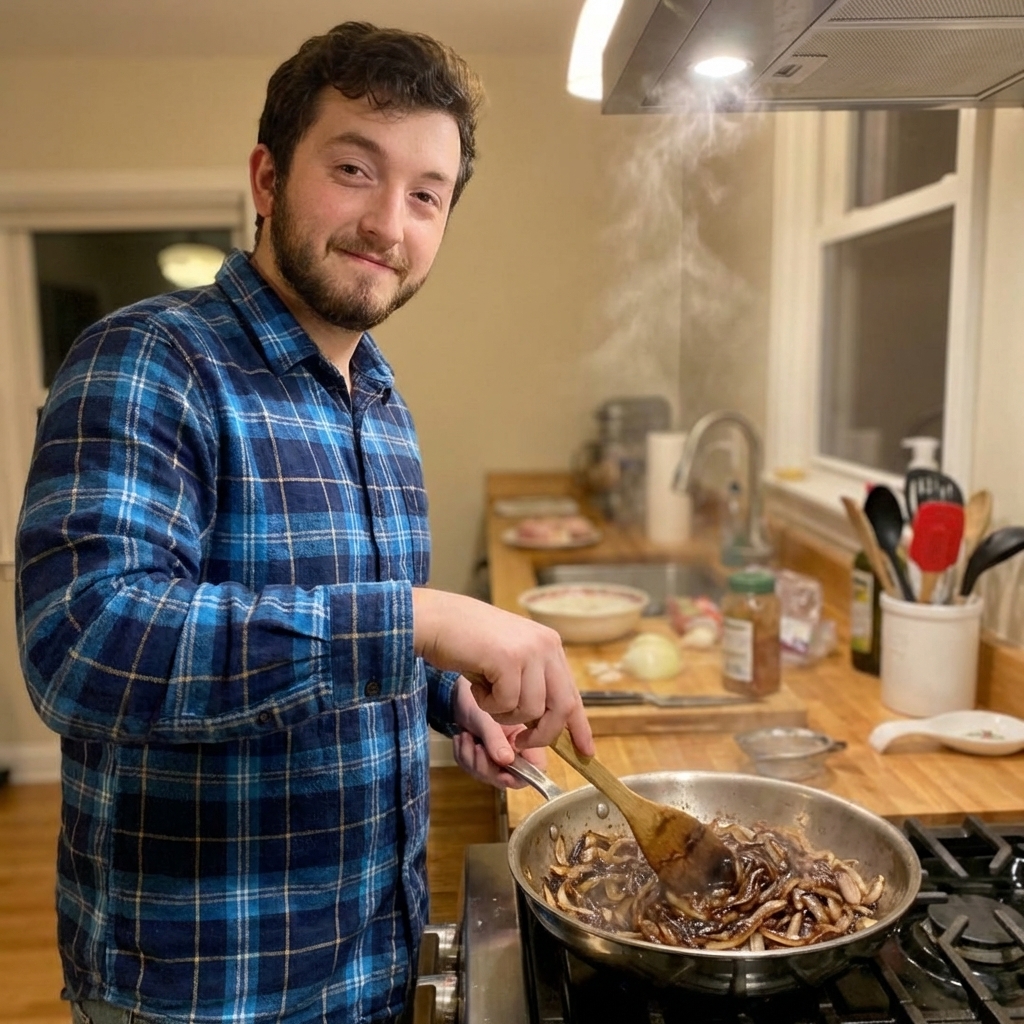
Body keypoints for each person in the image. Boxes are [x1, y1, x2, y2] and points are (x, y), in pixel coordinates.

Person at [16, 22, 594, 1024]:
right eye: (353, 169)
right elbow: (80, 643)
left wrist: (449, 695)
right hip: (206, 989)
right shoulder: (150, 359)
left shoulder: (377, 399)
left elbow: (350, 644)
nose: (387, 221)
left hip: (368, 961)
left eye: (426, 194)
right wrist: (417, 621)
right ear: (267, 176)